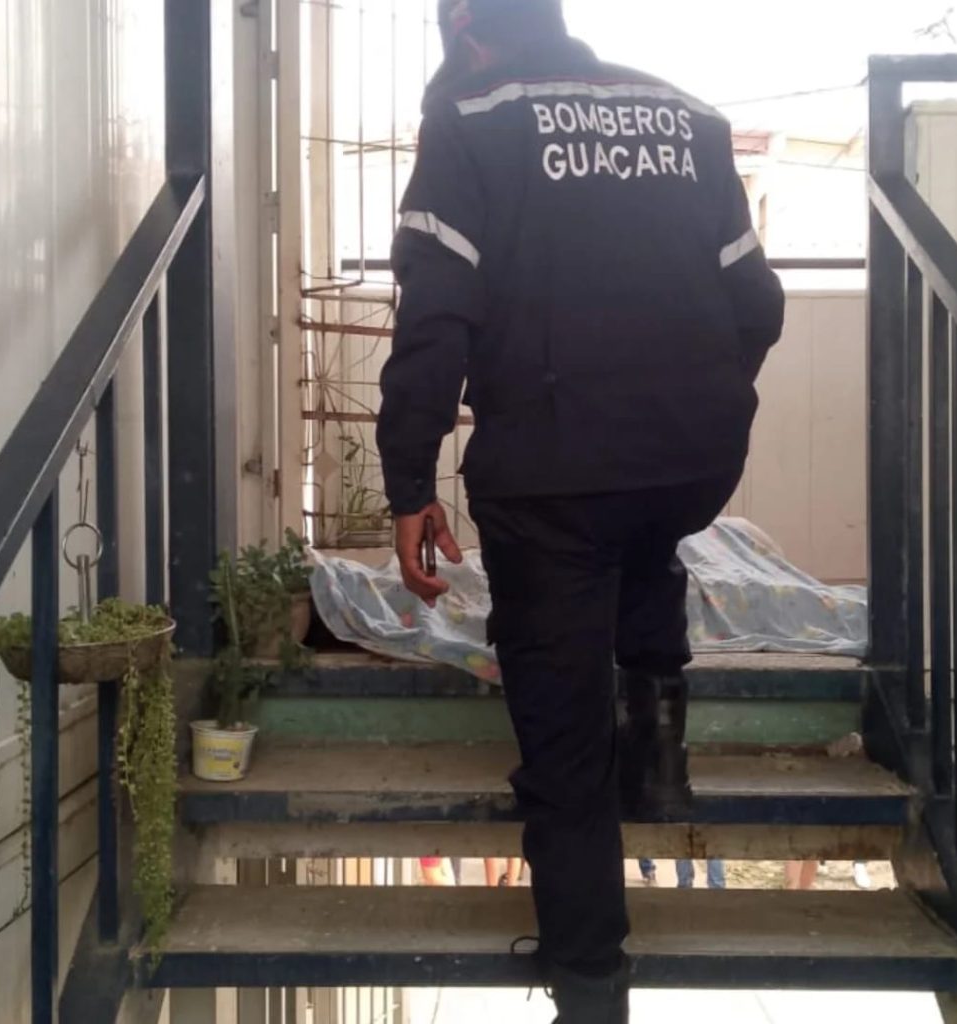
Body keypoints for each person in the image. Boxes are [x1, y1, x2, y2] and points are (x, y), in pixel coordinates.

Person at [377, 1, 785, 1019]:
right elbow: (758, 303)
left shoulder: (469, 117)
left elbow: (435, 319)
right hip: (691, 455)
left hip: (553, 481)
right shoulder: (686, 114)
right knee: (644, 532)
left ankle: (591, 978)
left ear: (466, 31)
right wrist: (702, 396)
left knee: (562, 737)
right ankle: (656, 753)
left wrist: (409, 483)